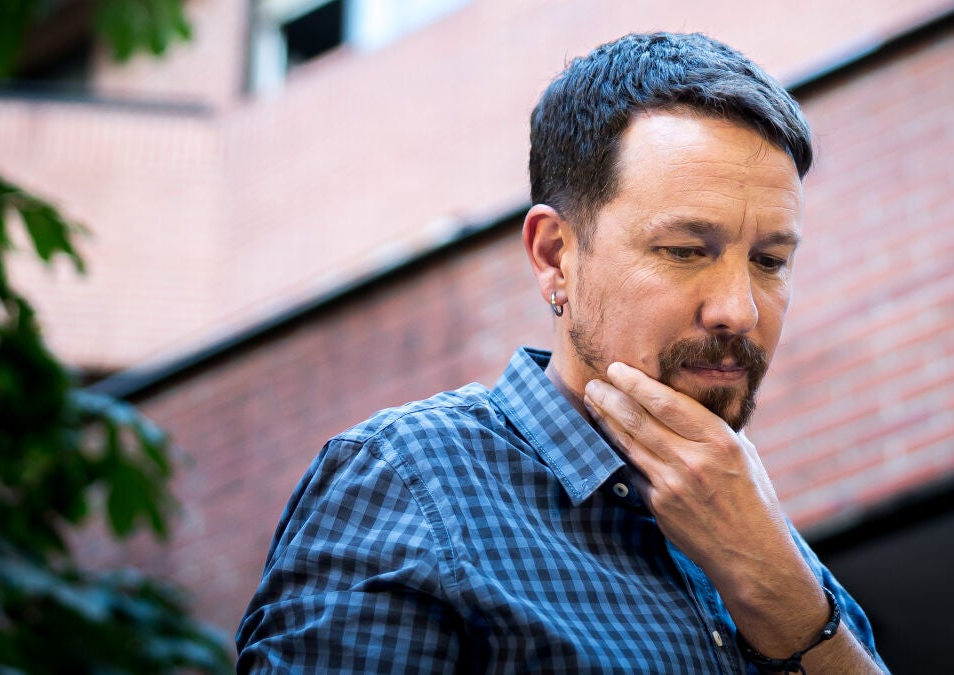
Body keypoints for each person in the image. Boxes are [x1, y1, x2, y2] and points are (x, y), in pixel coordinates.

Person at [237, 32, 888, 673]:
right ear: (554, 256)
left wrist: (788, 604)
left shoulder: (782, 556)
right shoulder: (409, 482)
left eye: (770, 261)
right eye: (686, 251)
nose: (739, 311)